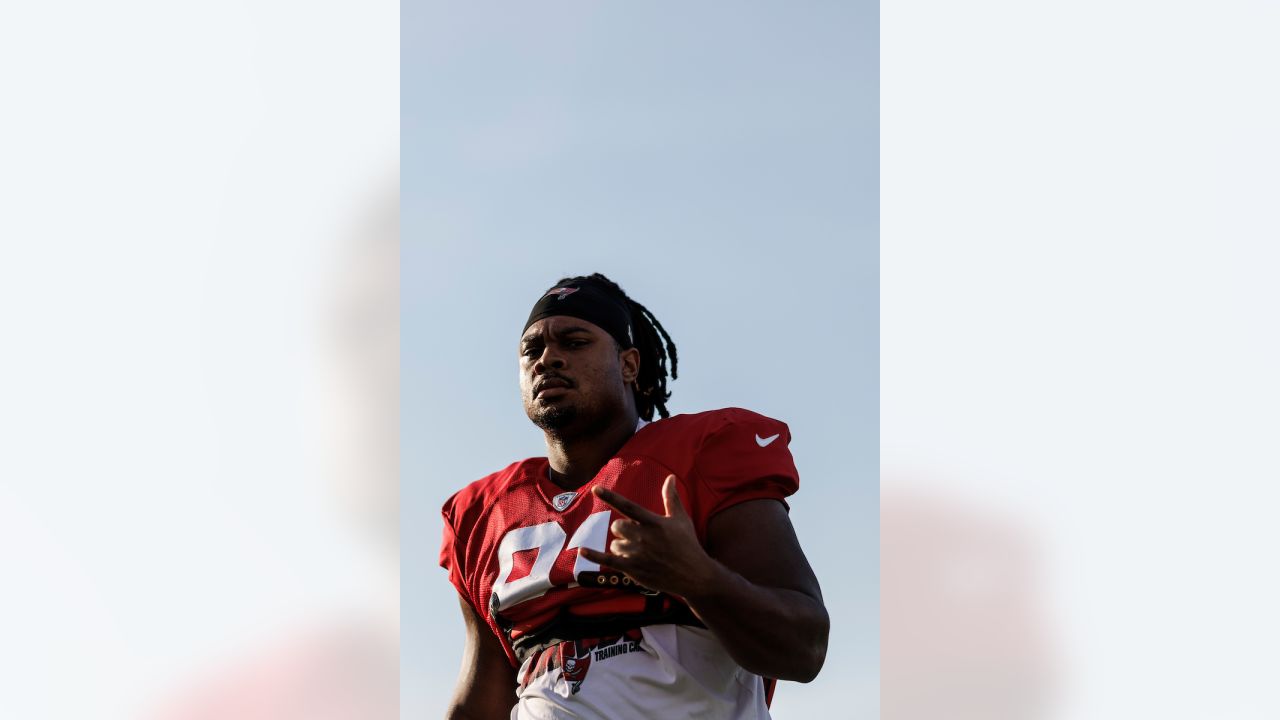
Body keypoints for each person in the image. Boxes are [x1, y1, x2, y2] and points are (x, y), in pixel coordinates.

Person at [441, 273, 829, 719]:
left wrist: (697, 579)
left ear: (629, 365)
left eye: (575, 342)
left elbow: (804, 647)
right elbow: (480, 701)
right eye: (532, 350)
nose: (548, 358)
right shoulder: (483, 513)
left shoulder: (703, 453)